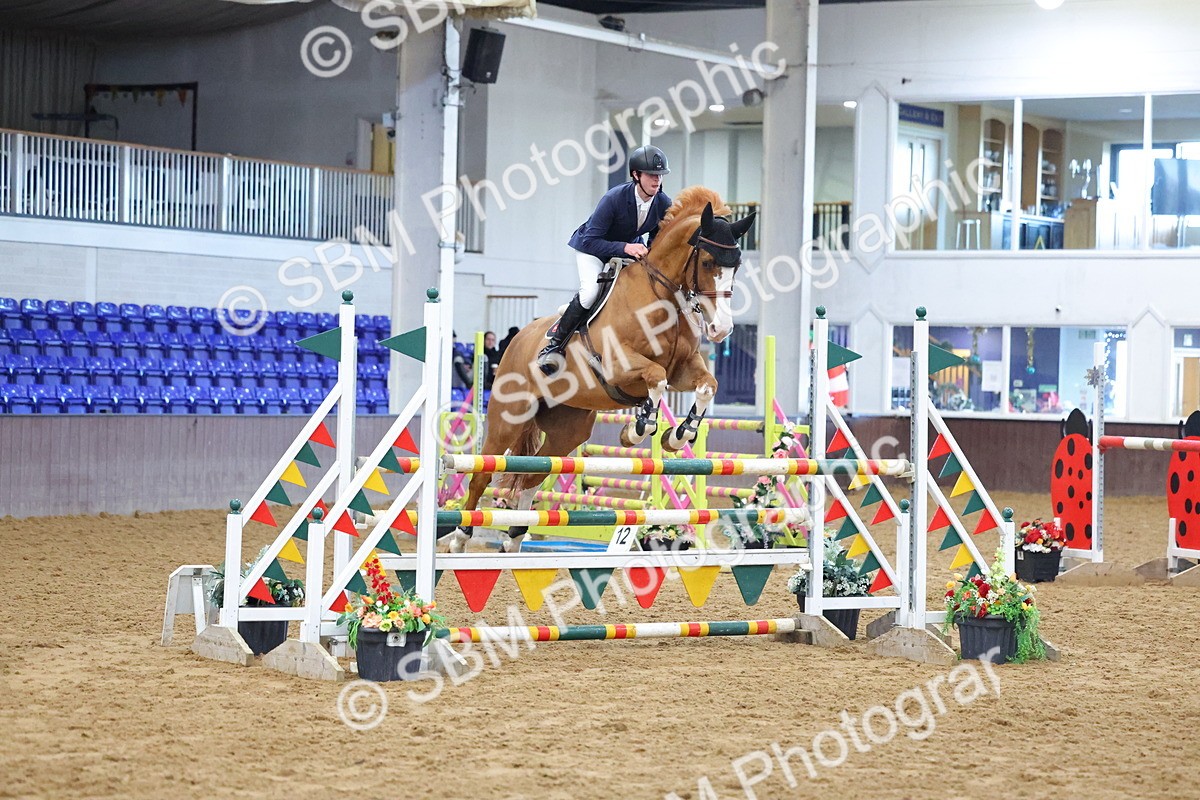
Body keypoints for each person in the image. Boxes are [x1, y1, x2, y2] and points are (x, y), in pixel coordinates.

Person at [536, 145, 673, 374]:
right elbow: (591, 240)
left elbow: (655, 239)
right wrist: (626, 247)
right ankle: (554, 346)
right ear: (635, 175)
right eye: (651, 175)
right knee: (590, 293)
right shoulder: (614, 199)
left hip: (627, 252)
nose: (656, 180)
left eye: (659, 175)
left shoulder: (663, 203)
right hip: (593, 250)